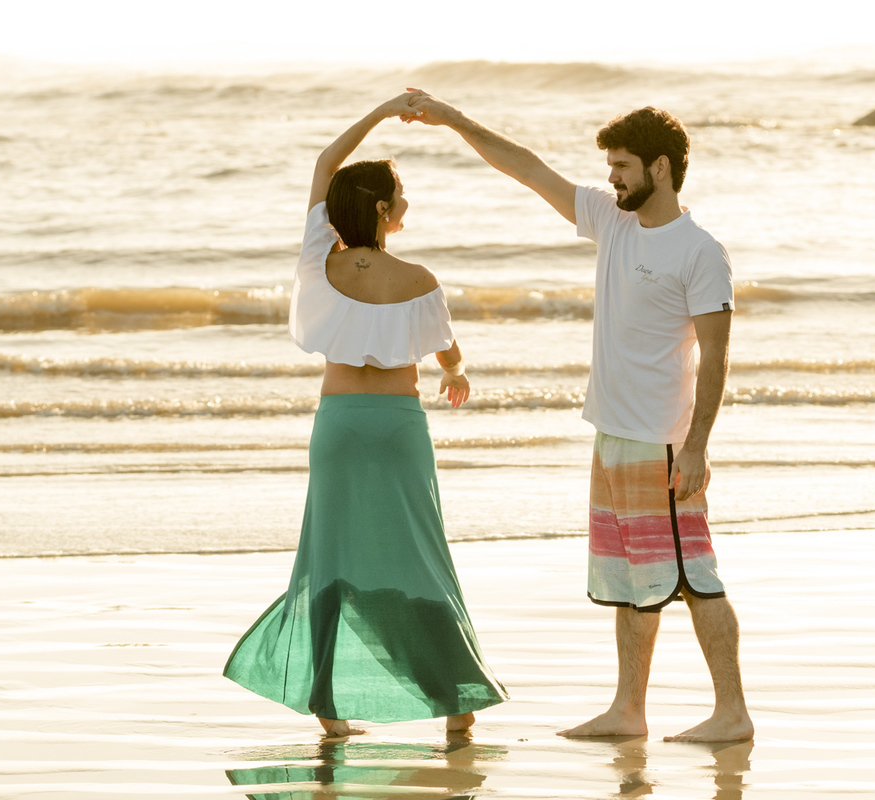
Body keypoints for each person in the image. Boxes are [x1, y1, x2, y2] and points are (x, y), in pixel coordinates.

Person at [406, 90, 754, 743]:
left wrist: (700, 446)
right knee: (628, 582)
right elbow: (528, 168)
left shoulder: (700, 252)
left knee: (693, 576)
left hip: (664, 445)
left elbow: (716, 359)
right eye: (610, 166)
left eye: (622, 165)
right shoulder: (612, 221)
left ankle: (732, 714)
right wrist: (454, 118)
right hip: (613, 436)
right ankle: (629, 710)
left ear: (659, 167)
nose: (611, 177)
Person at [223, 92, 508, 738]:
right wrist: (457, 374)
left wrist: (381, 113)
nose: (406, 205)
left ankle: (328, 709)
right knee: (421, 557)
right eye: (399, 196)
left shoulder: (318, 261)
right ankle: (456, 703)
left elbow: (326, 162)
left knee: (328, 559)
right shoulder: (419, 280)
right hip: (398, 428)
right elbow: (445, 350)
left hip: (339, 426)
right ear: (381, 210)